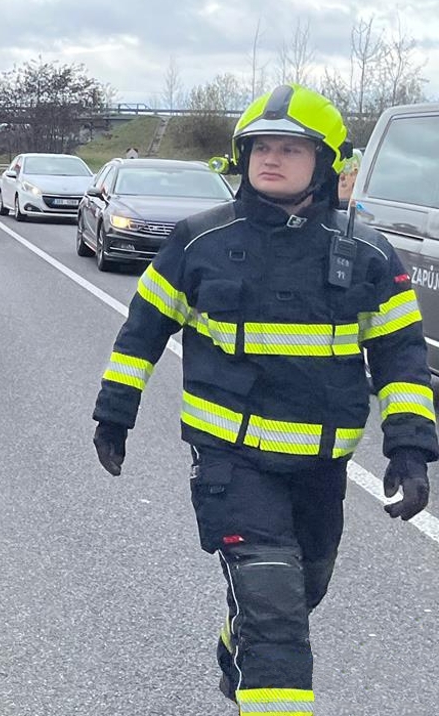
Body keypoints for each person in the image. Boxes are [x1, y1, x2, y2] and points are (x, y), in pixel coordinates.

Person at [91, 83, 437, 713]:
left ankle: (239, 641)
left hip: (320, 467)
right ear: (242, 155)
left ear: (325, 163)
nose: (271, 159)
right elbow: (142, 329)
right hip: (232, 461)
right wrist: (115, 413)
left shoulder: (367, 255)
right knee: (278, 619)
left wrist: (410, 451)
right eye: (260, 147)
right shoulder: (198, 241)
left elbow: (402, 358)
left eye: (290, 149)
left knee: (301, 590)